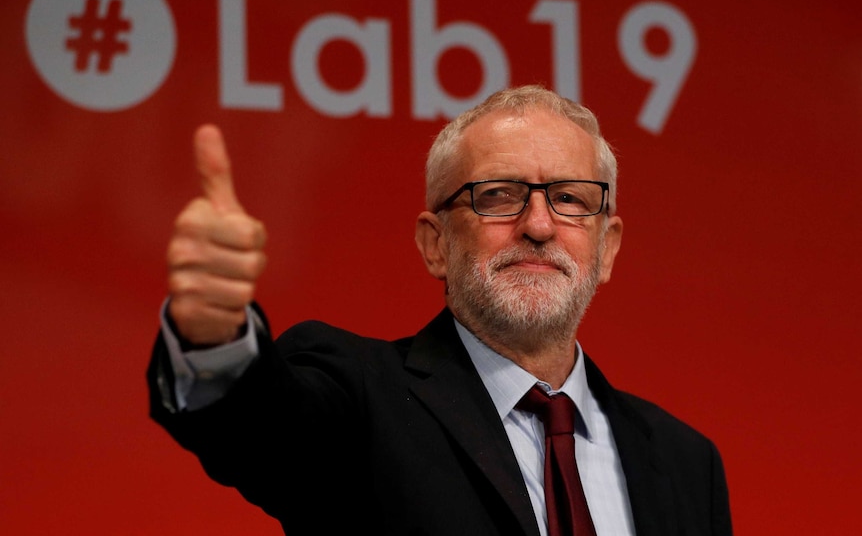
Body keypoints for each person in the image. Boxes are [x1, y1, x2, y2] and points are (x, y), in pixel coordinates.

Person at [148, 85, 732, 536]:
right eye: (497, 196)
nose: (538, 225)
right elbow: (255, 428)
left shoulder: (685, 462)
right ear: (435, 244)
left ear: (607, 249)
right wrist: (213, 334)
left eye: (570, 199)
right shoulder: (359, 399)